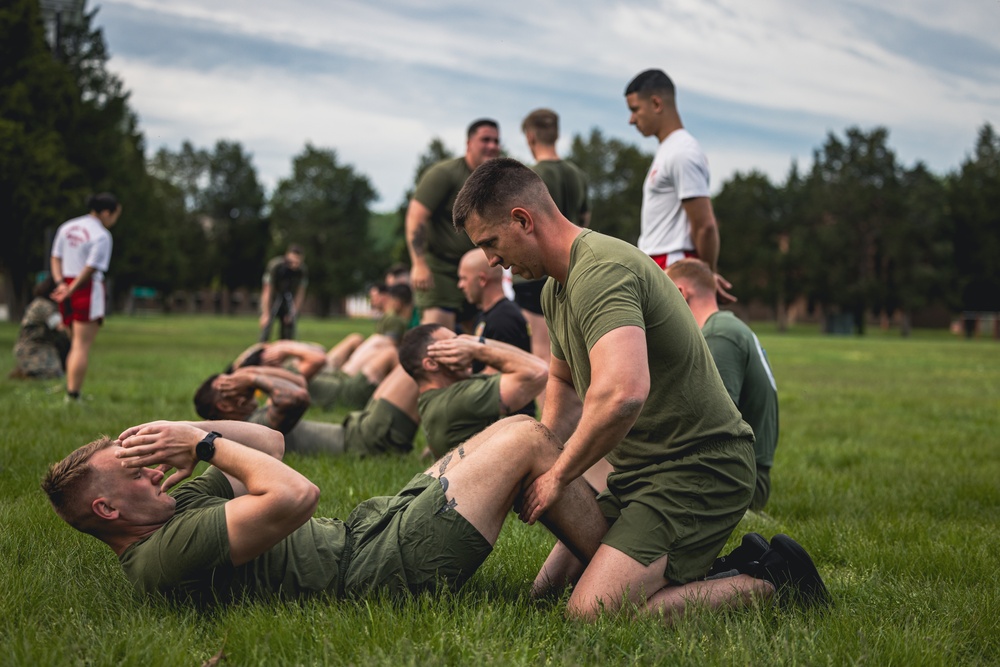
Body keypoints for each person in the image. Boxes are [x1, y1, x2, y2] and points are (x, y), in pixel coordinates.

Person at [452, 158, 828, 621]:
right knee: (544, 593)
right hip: (638, 472)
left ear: (522, 220)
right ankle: (682, 571)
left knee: (589, 613)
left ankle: (769, 580)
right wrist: (541, 455)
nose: (491, 260)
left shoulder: (602, 271)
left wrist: (557, 476)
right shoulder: (556, 288)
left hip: (700, 469)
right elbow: (564, 382)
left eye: (490, 242)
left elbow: (623, 393)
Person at [41, 416, 609, 605]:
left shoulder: (169, 509)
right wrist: (206, 448)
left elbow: (268, 444)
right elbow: (296, 495)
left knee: (517, 427)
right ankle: (623, 576)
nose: (155, 469)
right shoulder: (164, 554)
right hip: (382, 571)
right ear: (107, 510)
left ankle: (583, 569)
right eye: (136, 469)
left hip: (371, 531)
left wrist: (188, 433)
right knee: (531, 440)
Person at [665, 259, 779, 511]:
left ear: (680, 294)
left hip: (738, 483)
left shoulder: (718, 336)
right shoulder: (727, 327)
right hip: (742, 476)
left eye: (663, 293)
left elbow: (713, 428)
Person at [624, 69, 734, 303]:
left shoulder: (683, 151)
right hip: (659, 264)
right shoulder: (669, 150)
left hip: (673, 267)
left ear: (656, 103)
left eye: (635, 110)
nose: (631, 120)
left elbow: (705, 226)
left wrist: (707, 276)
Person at [519, 108, 591, 407]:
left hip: (536, 273)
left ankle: (551, 425)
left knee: (541, 350)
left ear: (530, 136)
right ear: (557, 134)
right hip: (571, 268)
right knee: (571, 353)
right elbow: (585, 222)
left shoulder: (530, 176)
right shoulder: (577, 175)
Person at [406, 119, 501, 332]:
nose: (492, 146)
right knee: (437, 337)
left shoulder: (496, 179)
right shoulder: (444, 174)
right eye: (485, 140)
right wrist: (419, 264)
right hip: (441, 269)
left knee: (477, 338)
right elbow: (416, 217)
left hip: (478, 271)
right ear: (469, 143)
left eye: (496, 141)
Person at [399, 324, 547, 458]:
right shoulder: (456, 401)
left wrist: (476, 342)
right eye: (454, 344)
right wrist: (477, 350)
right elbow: (539, 372)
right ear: (431, 364)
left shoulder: (441, 395)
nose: (464, 347)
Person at [50, 192, 122, 401]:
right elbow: (91, 267)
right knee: (81, 346)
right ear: (107, 212)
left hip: (66, 284)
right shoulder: (101, 235)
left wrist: (61, 284)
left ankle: (71, 390)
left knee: (74, 343)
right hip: (86, 288)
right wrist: (72, 289)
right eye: (115, 214)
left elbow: (56, 257)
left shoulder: (67, 227)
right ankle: (73, 394)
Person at [457, 248, 531, 371]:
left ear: (482, 280)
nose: (460, 285)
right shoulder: (487, 315)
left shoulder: (503, 319)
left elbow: (503, 371)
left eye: (464, 278)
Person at [11, 276, 70, 380]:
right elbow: (61, 328)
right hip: (33, 348)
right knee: (53, 375)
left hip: (44, 346)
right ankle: (24, 371)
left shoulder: (44, 303)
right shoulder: (44, 306)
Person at [259, 245, 308, 342]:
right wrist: (266, 313)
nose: (294, 265)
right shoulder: (275, 266)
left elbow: (300, 293)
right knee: (266, 326)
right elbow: (267, 290)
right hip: (273, 298)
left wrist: (294, 312)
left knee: (288, 329)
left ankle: (284, 352)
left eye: (297, 262)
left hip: (288, 299)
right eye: (292, 261)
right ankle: (261, 349)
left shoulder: (302, 271)